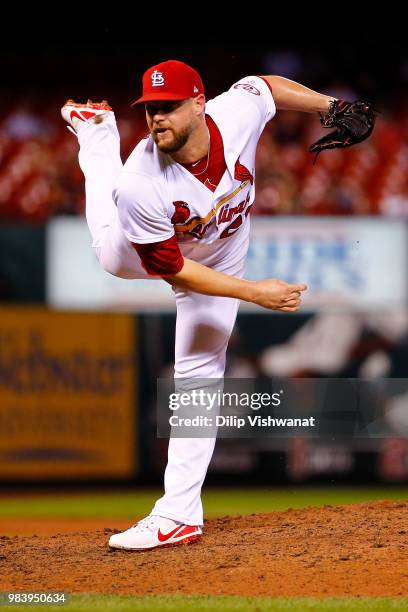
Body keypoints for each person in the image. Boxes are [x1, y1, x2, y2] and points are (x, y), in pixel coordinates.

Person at [61, 59, 340, 551]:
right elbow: (173, 270)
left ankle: (179, 515)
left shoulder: (235, 114)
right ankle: (98, 137)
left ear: (198, 102)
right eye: (149, 109)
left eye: (168, 106)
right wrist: (255, 292)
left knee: (199, 375)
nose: (156, 118)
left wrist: (332, 107)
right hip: (155, 251)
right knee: (107, 247)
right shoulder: (142, 182)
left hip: (222, 248)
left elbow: (268, 87)